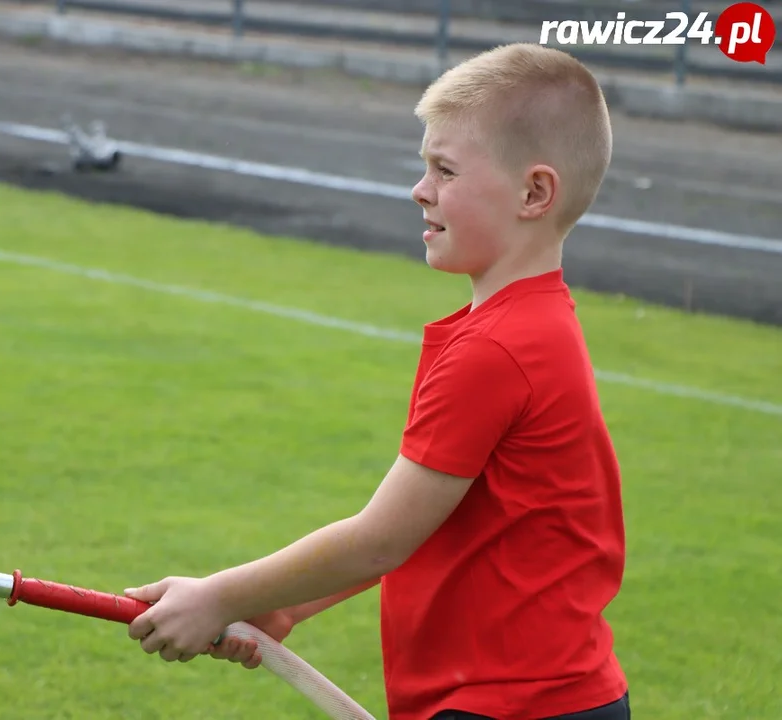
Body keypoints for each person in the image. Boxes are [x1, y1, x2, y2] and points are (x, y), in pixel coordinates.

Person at [123, 42, 631, 720]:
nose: (420, 189)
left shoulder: (499, 349)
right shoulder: (528, 324)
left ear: (533, 193)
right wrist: (286, 602)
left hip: (511, 705)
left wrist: (219, 595)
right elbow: (430, 529)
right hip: (536, 697)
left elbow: (381, 538)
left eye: (444, 169)